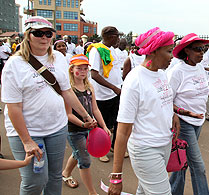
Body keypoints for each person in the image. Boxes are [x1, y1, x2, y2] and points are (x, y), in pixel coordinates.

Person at [1, 16, 95, 195]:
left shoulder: (58, 58)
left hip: (56, 128)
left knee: (54, 178)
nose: (44, 37)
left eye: (48, 33)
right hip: (29, 132)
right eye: (38, 33)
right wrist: (27, 141)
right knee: (35, 182)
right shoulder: (14, 65)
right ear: (28, 35)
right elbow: (13, 107)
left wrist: (85, 116)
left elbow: (67, 91)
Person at [108, 27, 179, 195]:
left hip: (164, 144)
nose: (172, 56)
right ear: (154, 51)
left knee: (145, 191)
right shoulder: (134, 81)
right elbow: (123, 131)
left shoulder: (161, 74)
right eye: (169, 51)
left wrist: (173, 114)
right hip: (146, 149)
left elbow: (160, 101)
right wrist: (116, 176)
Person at [167, 33, 209, 195]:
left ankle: (172, 192)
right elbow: (165, 100)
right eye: (198, 49)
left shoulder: (200, 68)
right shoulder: (177, 72)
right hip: (184, 123)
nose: (202, 53)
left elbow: (203, 94)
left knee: (182, 161)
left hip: (198, 122)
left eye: (204, 49)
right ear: (186, 51)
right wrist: (177, 116)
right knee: (198, 167)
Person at [62, 54, 111, 192]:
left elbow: (95, 109)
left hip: (90, 129)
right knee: (84, 160)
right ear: (72, 69)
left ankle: (65, 173)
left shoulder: (89, 87)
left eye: (85, 69)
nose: (83, 71)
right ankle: (92, 192)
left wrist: (104, 126)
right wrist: (83, 124)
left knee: (78, 152)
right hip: (74, 130)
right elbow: (68, 114)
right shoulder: (69, 90)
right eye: (79, 68)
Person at [87, 26, 124, 162]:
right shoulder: (96, 50)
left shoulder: (112, 50)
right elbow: (94, 74)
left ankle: (114, 146)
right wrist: (113, 87)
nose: (119, 39)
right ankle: (101, 150)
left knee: (116, 122)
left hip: (115, 93)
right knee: (103, 125)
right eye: (117, 36)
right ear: (111, 36)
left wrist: (118, 87)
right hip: (103, 95)